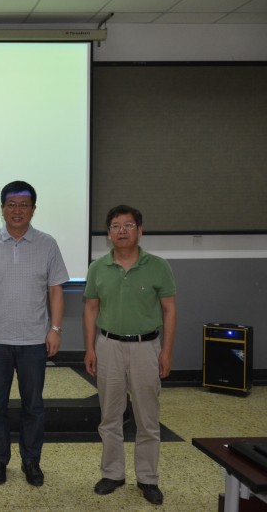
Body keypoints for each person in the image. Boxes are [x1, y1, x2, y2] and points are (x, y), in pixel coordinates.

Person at [0, 180, 68, 487]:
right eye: (11, 204)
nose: (17, 210)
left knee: (33, 405)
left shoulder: (48, 244)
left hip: (34, 340)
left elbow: (55, 291)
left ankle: (31, 461)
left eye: (24, 205)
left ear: (33, 209)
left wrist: (55, 329)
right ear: (2, 208)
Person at [83, 205, 177, 506]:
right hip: (108, 346)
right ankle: (113, 473)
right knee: (110, 416)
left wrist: (166, 351)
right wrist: (90, 348)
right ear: (108, 233)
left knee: (147, 418)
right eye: (115, 226)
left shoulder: (158, 266)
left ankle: (148, 478)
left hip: (146, 348)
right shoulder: (98, 268)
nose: (121, 231)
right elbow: (91, 309)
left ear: (140, 230)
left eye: (128, 225)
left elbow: (169, 310)